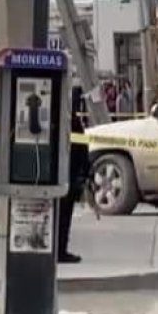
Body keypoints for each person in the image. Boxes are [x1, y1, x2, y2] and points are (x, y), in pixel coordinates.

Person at [57, 87, 88, 263]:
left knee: (64, 215)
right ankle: (60, 250)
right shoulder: (70, 121)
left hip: (70, 174)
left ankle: (60, 248)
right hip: (68, 175)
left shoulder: (70, 120)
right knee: (63, 215)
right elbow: (80, 148)